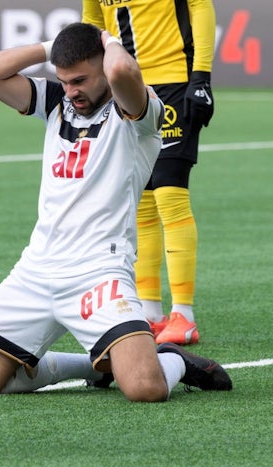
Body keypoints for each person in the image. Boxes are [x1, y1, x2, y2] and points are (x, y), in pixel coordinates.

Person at [0, 22, 232, 404]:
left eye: (80, 80)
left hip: (99, 270)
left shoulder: (137, 112)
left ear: (104, 64)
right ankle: (92, 367)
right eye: (65, 80)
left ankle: (174, 361)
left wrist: (108, 39)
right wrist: (51, 47)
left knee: (145, 388)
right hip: (37, 269)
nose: (72, 91)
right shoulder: (57, 102)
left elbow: (122, 71)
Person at [81, 0, 216, 345]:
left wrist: (201, 76)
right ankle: (150, 311)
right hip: (124, 87)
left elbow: (200, 6)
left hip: (172, 81)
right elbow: (94, 23)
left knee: (171, 196)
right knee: (140, 200)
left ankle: (183, 314)